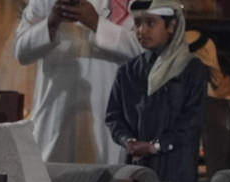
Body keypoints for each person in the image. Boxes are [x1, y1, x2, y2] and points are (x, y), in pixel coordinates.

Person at [13, 0, 138, 165]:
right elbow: (21, 52)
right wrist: (51, 23)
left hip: (107, 123)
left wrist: (96, 23)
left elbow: (144, 50)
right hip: (54, 118)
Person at [104, 0, 207, 182]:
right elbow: (113, 117)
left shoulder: (191, 70)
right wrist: (128, 141)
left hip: (176, 170)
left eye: (150, 23)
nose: (142, 31)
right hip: (136, 168)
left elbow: (192, 121)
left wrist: (155, 146)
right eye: (138, 23)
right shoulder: (127, 71)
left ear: (172, 26)